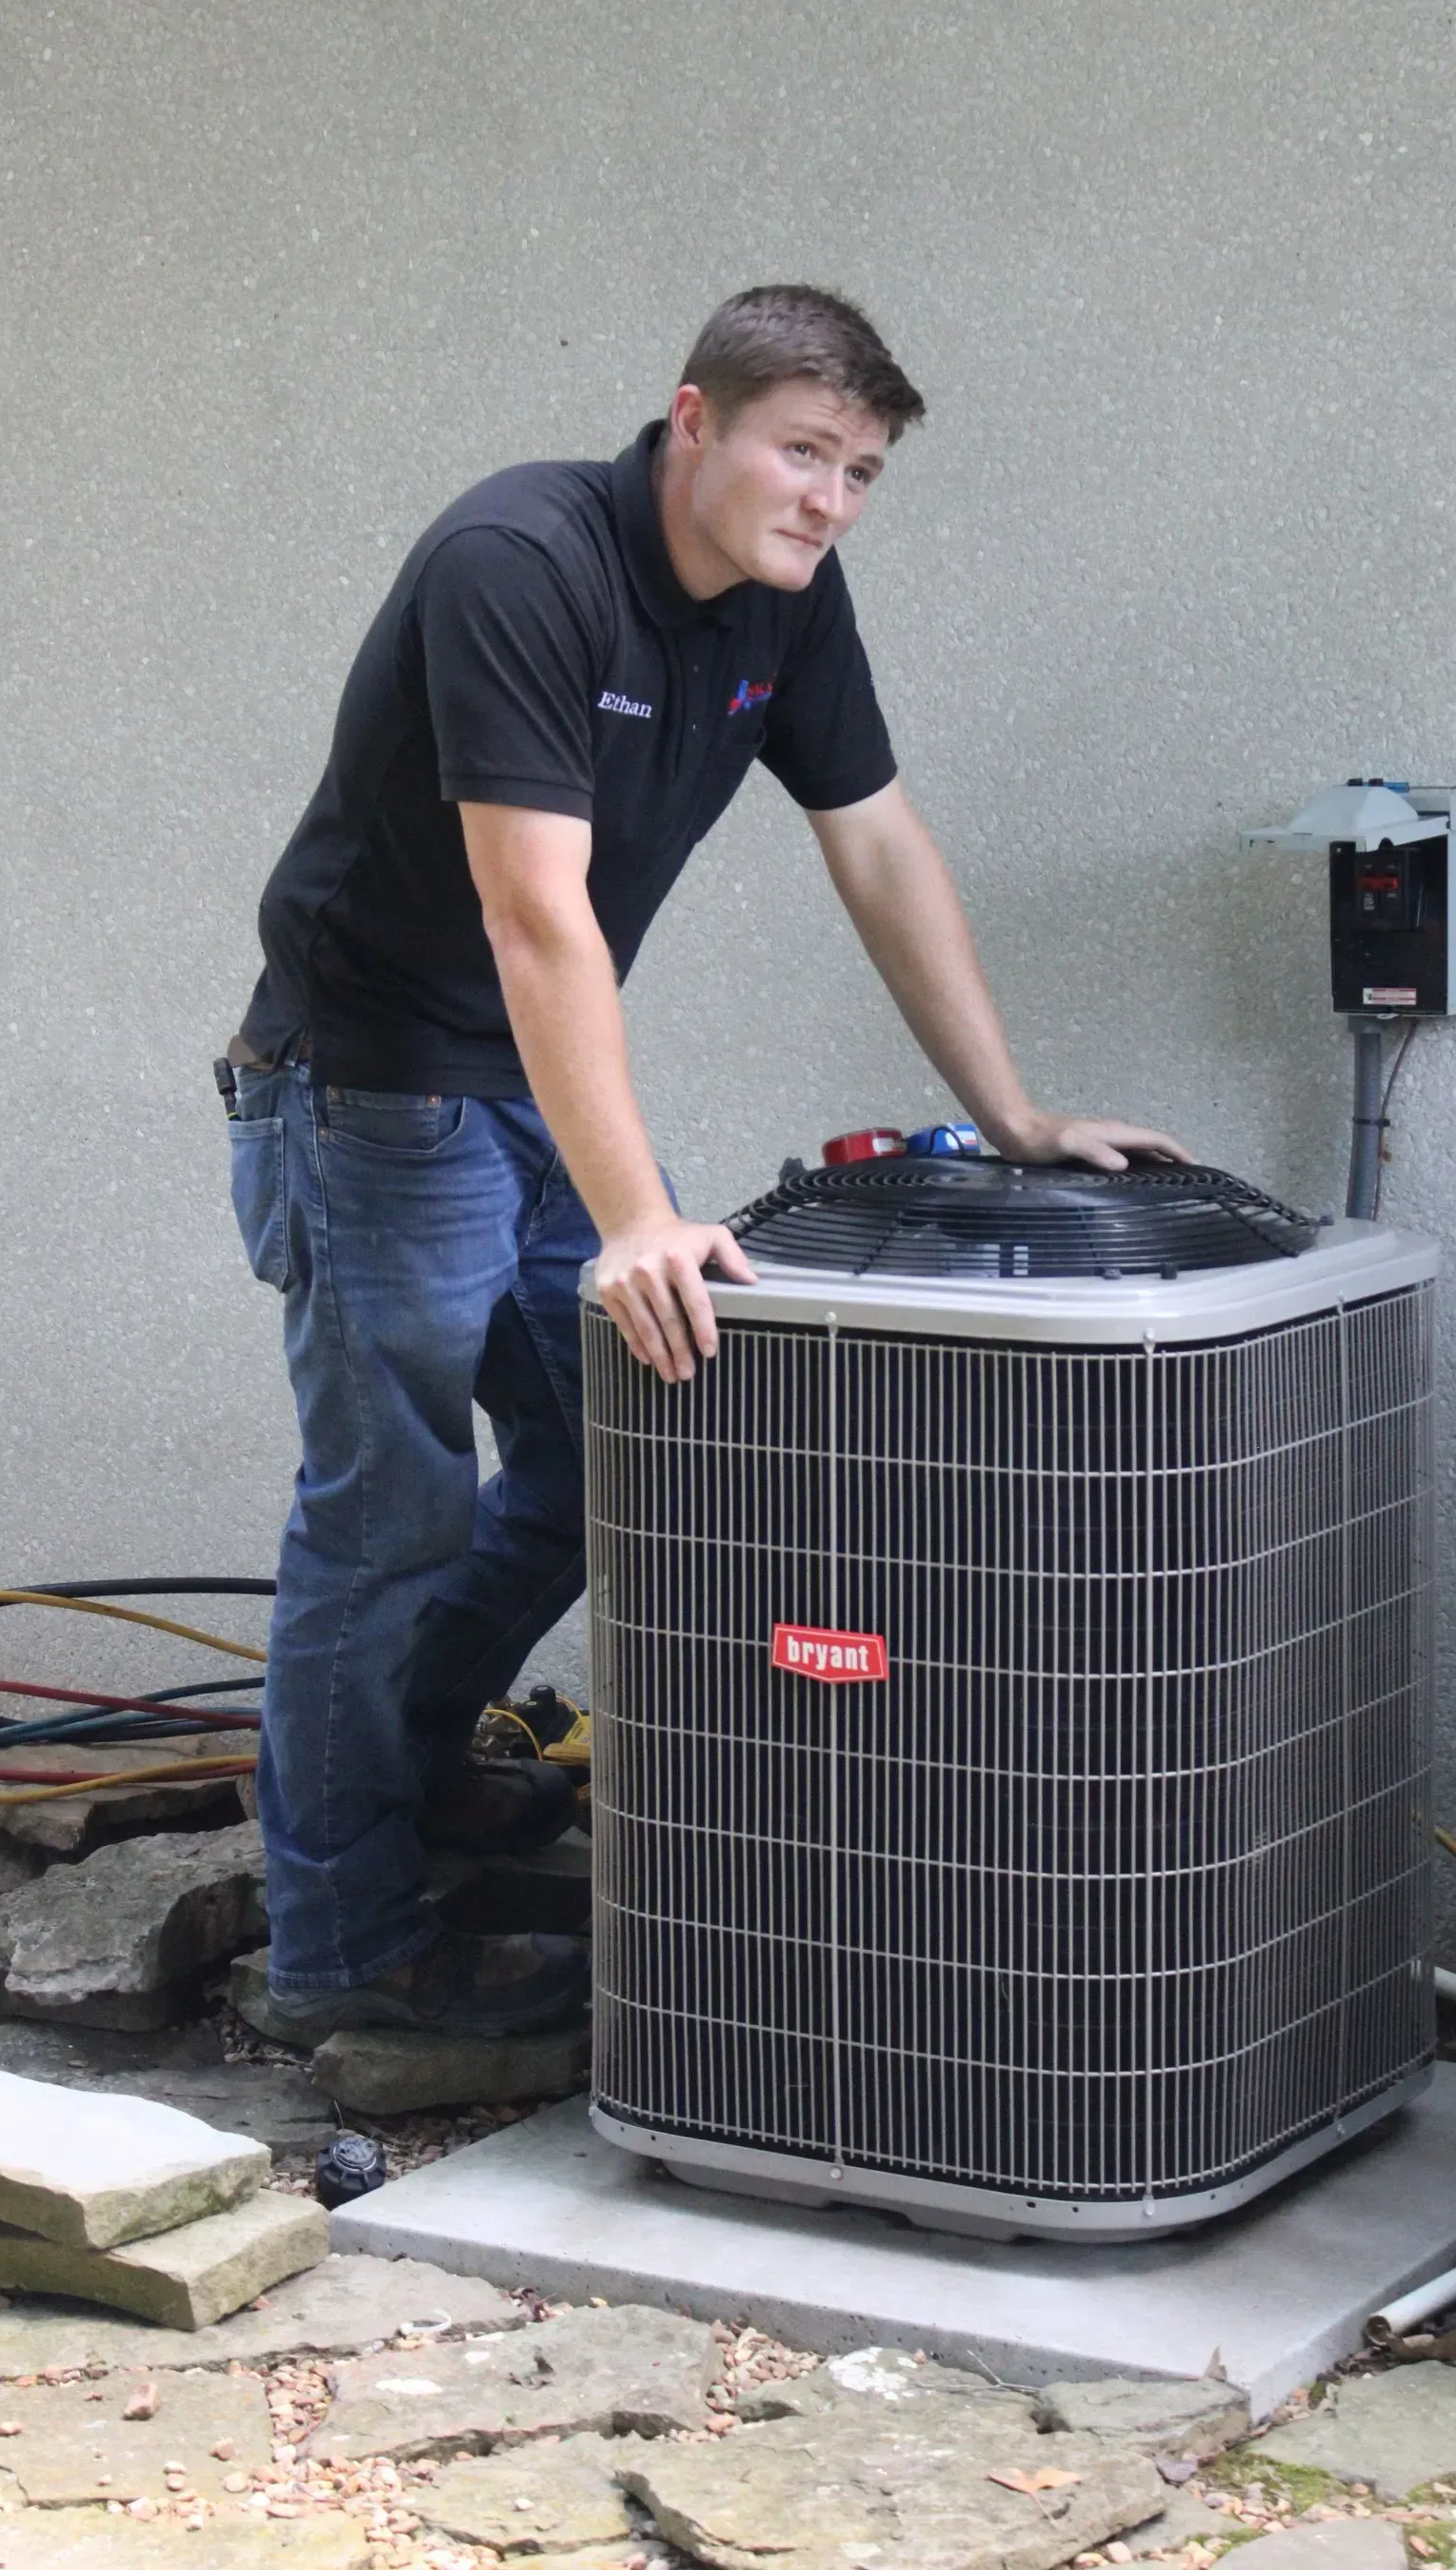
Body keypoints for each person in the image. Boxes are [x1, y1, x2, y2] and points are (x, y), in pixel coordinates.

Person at [226, 284, 1184, 2040]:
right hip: (371, 1094)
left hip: (514, 1087)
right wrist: (637, 1214)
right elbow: (535, 916)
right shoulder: (521, 562)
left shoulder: (786, 606)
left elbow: (880, 847)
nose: (829, 498)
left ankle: (394, 1786)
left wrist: (1020, 1111)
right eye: (801, 451)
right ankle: (341, 1955)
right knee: (389, 1521)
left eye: (864, 472)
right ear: (693, 422)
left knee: (616, 1461)